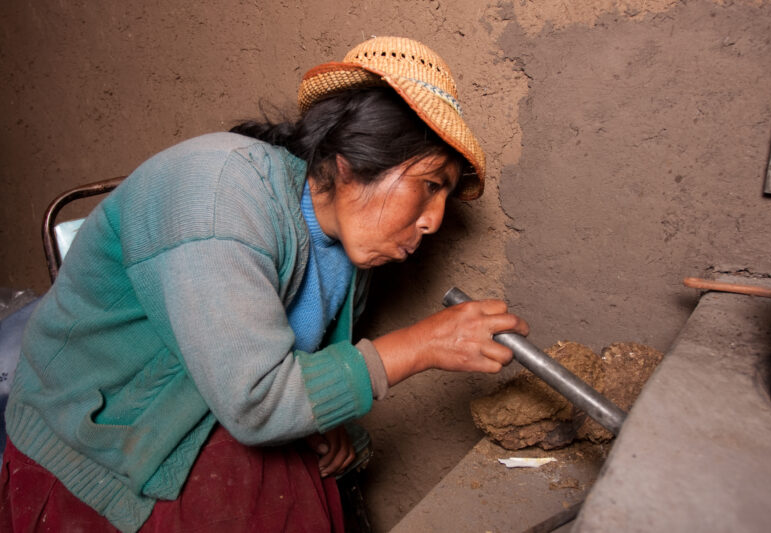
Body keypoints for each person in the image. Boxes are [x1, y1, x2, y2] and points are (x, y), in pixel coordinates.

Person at [0, 36, 528, 532]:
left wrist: (320, 414)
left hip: (219, 403)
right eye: (430, 185)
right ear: (351, 162)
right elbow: (256, 403)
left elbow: (282, 365)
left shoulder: (347, 246)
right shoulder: (215, 194)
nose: (434, 220)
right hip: (109, 430)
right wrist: (421, 345)